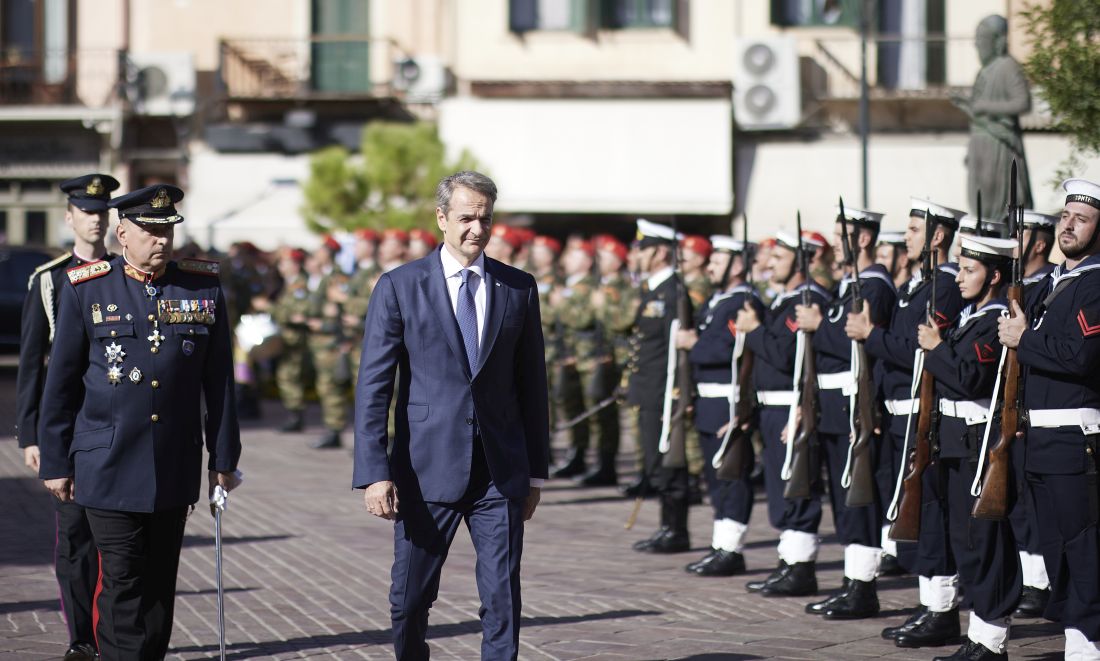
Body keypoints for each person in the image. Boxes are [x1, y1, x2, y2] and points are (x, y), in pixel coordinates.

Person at [37, 184, 242, 660]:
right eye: (150, 231)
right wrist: (54, 460)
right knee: (123, 579)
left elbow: (221, 382)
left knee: (158, 584)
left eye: (167, 230)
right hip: (106, 461)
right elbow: (61, 383)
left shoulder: (201, 287)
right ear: (122, 232)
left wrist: (224, 457)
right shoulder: (87, 287)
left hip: (172, 462)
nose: (162, 241)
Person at [353, 171, 549, 661]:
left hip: (499, 474)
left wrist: (534, 472)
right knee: (410, 600)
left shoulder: (517, 288)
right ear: (441, 219)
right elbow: (375, 387)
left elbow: (532, 385)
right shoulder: (400, 286)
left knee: (503, 598)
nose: (476, 229)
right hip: (424, 470)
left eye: (485, 218)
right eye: (465, 218)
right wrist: (374, 473)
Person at [847, 198, 965, 646]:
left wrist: (871, 336)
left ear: (937, 236)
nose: (907, 237)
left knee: (929, 513)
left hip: (923, 413)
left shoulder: (945, 288)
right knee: (912, 513)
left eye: (915, 229)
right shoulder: (919, 286)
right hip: (899, 414)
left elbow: (918, 350)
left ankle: (941, 611)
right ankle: (927, 603)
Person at [15, 173, 119, 661]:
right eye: (87, 211)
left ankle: (115, 634)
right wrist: (31, 433)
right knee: (75, 538)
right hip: (70, 426)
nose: (95, 220)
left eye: (102, 212)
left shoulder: (125, 273)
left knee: (117, 537)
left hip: (116, 425)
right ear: (70, 217)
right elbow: (33, 361)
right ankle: (82, 639)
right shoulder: (49, 280)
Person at [998, 178, 1100, 660]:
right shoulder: (1052, 285)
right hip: (1039, 435)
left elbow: (1081, 357)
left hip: (1073, 437)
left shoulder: (1096, 283)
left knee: (1083, 551)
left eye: (1082, 219)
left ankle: (1088, 647)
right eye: (1065, 216)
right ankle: (1077, 642)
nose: (1069, 226)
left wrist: (1024, 338)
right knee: (1055, 548)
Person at [912, 234, 1021, 659]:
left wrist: (937, 348)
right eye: (959, 267)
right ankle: (977, 638)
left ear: (994, 276)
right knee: (967, 543)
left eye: (969, 269)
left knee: (986, 544)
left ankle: (991, 643)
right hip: (958, 444)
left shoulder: (994, 323)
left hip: (980, 446)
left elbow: (970, 377)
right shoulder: (969, 318)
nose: (959, 277)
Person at [797, 206, 897, 619]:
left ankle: (863, 587)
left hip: (856, 408)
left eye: (843, 235)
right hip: (836, 409)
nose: (837, 243)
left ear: (862, 239)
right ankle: (852, 582)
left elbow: (855, 343)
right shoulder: (849, 286)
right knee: (844, 499)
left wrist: (819, 327)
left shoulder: (873, 287)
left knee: (859, 499)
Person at [736, 231, 832, 596]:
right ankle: (789, 560)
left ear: (801, 260)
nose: (770, 262)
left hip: (792, 405)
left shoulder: (807, 300)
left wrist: (755, 330)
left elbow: (785, 355)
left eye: (780, 257)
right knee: (781, 487)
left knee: (798, 487)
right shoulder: (784, 300)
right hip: (771, 405)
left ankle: (801, 567)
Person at [676, 235, 764, 576]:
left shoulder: (744, 301)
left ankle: (732, 548)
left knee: (732, 475)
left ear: (737, 265)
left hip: (729, 398)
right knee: (716, 478)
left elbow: (730, 348)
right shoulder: (719, 300)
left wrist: (693, 344)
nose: (710, 266)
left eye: (718, 260)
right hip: (709, 399)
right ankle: (720, 544)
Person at [628, 219, 695, 553]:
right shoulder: (654, 289)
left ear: (661, 252)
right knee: (656, 458)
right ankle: (666, 525)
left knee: (670, 460)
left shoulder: (674, 292)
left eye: (644, 248)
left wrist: (681, 392)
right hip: (650, 388)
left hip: (666, 391)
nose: (637, 254)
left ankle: (676, 529)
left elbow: (680, 350)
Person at [551, 240, 619, 483]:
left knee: (598, 412)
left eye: (574, 256)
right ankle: (577, 455)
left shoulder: (591, 287)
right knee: (574, 407)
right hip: (574, 355)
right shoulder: (570, 287)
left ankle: (604, 463)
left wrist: (561, 306)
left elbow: (582, 319)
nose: (566, 260)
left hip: (591, 356)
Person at [952, 14, 1033, 219]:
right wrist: (967, 106)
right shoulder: (983, 71)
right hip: (980, 144)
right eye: (977, 40)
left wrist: (984, 106)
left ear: (997, 41)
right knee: (979, 206)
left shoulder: (1007, 67)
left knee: (999, 207)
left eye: (982, 39)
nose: (977, 45)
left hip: (1000, 147)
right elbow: (979, 112)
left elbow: (1023, 102)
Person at [306, 237, 350, 449]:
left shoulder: (337, 276)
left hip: (333, 341)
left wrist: (326, 318)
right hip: (321, 342)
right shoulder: (322, 277)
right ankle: (332, 428)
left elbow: (340, 305)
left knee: (332, 387)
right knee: (325, 387)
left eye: (320, 250)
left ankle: (335, 429)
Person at [266, 248, 312, 432]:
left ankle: (296, 415)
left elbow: (298, 313)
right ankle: (294, 414)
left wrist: (270, 308)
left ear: (295, 264)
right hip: (286, 338)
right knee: (286, 376)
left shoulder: (299, 286)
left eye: (284, 263)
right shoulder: (288, 284)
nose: (281, 267)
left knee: (289, 376)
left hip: (295, 339)